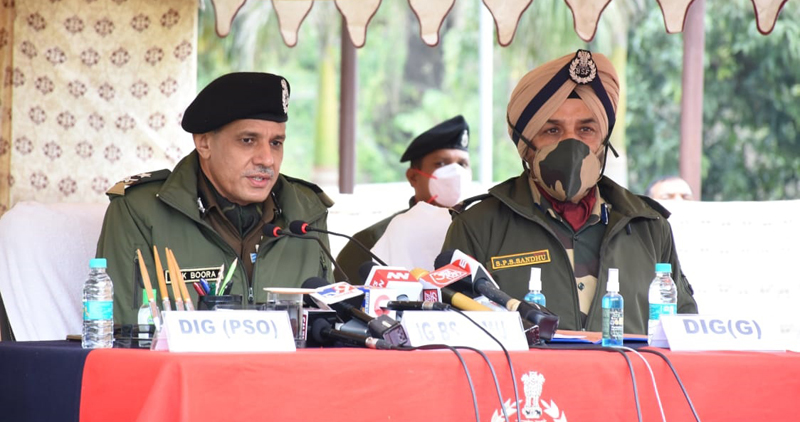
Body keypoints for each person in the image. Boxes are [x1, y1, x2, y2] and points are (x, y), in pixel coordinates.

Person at [443, 50, 698, 334]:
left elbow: (683, 332)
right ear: (526, 146)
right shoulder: (479, 226)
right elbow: (454, 336)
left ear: (603, 141)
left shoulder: (648, 227)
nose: (572, 145)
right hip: (527, 380)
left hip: (628, 380)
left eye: (586, 129)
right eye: (552, 131)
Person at [96, 72, 334, 325]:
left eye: (276, 143)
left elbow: (328, 326)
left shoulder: (308, 211)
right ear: (204, 143)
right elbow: (128, 334)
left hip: (289, 366)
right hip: (184, 366)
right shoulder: (139, 210)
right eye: (248, 140)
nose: (267, 159)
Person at [335, 115, 471, 283]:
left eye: (462, 164)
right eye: (442, 164)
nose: (456, 173)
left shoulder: (482, 230)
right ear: (413, 177)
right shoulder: (372, 240)